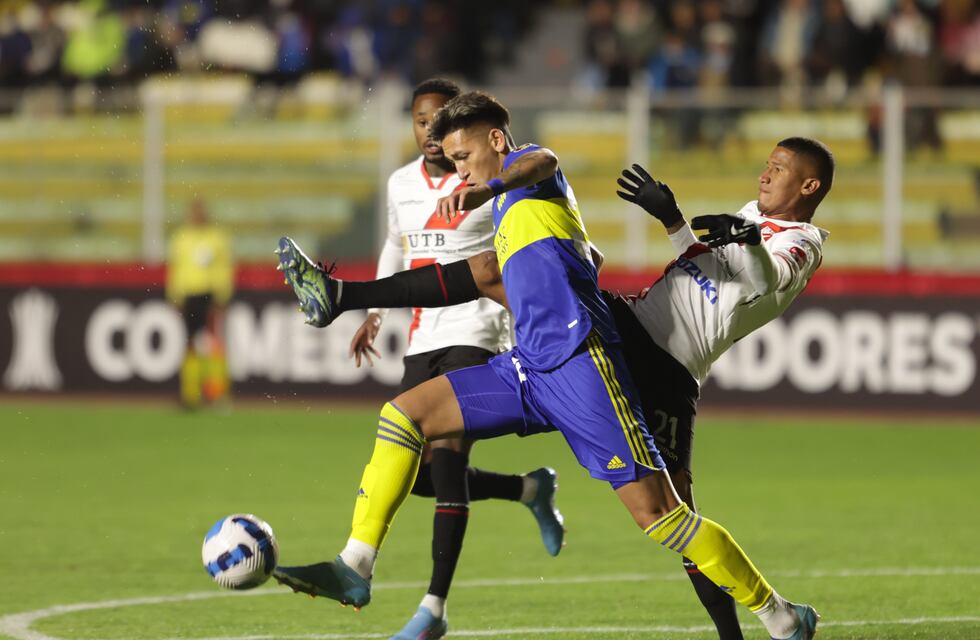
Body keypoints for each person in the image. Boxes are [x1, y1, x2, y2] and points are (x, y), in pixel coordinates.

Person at [274, 92, 820, 640]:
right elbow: (705, 268)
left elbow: (547, 162)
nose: (457, 171)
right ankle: (356, 564)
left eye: (463, 157)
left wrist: (490, 190)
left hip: (607, 361)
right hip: (552, 354)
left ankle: (779, 617)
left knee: (665, 515)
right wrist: (670, 223)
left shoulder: (524, 170)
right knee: (406, 410)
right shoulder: (745, 217)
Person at [346, 77, 565, 640]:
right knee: (418, 475)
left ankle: (433, 608)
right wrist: (374, 312)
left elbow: (515, 239)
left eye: (440, 122)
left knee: (446, 465)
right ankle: (528, 489)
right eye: (421, 121)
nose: (431, 133)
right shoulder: (400, 184)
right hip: (423, 336)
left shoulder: (492, 176)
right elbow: (398, 245)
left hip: (479, 327)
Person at [165, 198, 233, 409]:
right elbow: (175, 268)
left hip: (209, 295)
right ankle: (191, 395)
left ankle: (215, 394)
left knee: (212, 344)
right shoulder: (181, 238)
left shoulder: (217, 239)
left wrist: (222, 295)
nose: (197, 216)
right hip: (189, 296)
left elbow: (224, 269)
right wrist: (175, 295)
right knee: (191, 344)